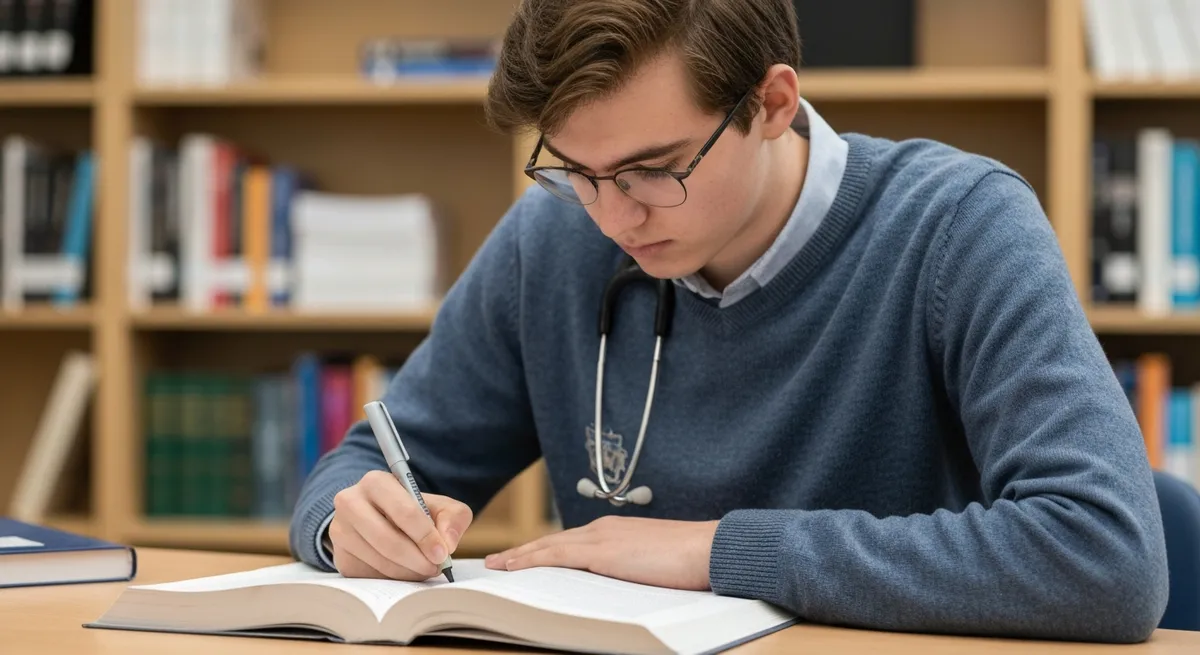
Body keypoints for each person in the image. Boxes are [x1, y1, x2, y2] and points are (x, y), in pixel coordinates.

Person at [289, 0, 1169, 643]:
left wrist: (719, 552)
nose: (612, 218)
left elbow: (1105, 555)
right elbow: (370, 461)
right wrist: (348, 522)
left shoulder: (958, 226)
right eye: (576, 171)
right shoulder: (550, 238)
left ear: (773, 102)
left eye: (654, 169)